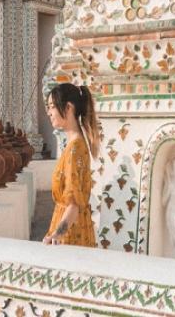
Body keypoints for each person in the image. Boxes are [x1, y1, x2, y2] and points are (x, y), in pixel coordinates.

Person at [43, 83, 100, 247]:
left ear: (68, 108)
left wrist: (57, 234)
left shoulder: (75, 149)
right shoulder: (74, 145)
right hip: (72, 226)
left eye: (52, 107)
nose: (49, 113)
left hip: (70, 233)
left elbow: (73, 205)